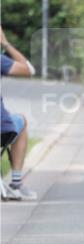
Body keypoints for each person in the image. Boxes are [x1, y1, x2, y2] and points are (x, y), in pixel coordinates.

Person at [0, 27, 37, 200]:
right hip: (2, 130)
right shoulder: (1, 61)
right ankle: (16, 183)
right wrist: (5, 43)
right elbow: (29, 69)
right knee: (22, 120)